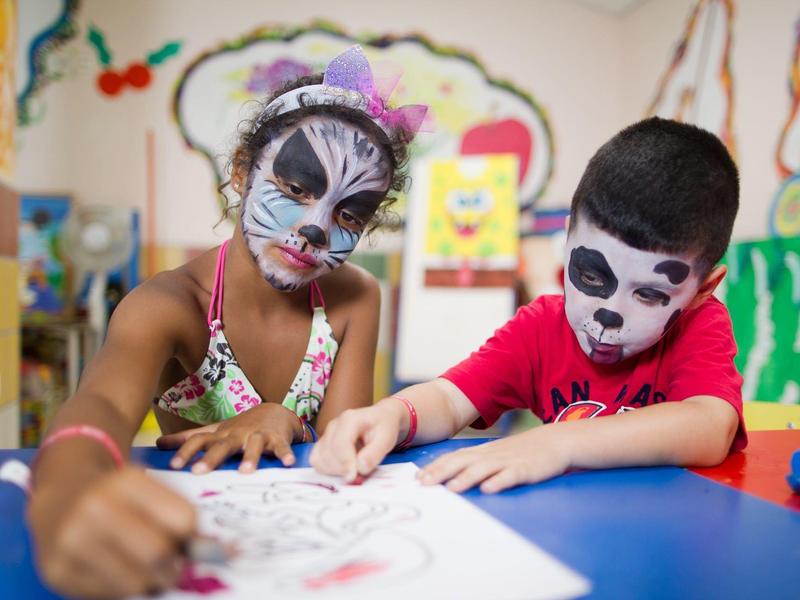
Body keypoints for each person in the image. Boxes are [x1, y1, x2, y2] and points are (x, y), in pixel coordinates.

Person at [28, 46, 425, 598]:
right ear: (242, 170)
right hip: (199, 550)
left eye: (348, 214)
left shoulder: (355, 297)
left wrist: (284, 420)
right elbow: (101, 404)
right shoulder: (170, 305)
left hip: (315, 551)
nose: (315, 228)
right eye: (295, 189)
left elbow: (344, 448)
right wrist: (65, 485)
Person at [311, 117, 745, 497]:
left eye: (649, 294)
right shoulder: (542, 329)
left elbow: (709, 425)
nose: (607, 314)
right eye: (593, 277)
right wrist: (392, 415)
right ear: (569, 238)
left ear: (704, 289)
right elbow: (448, 399)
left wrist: (558, 443)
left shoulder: (700, 324)